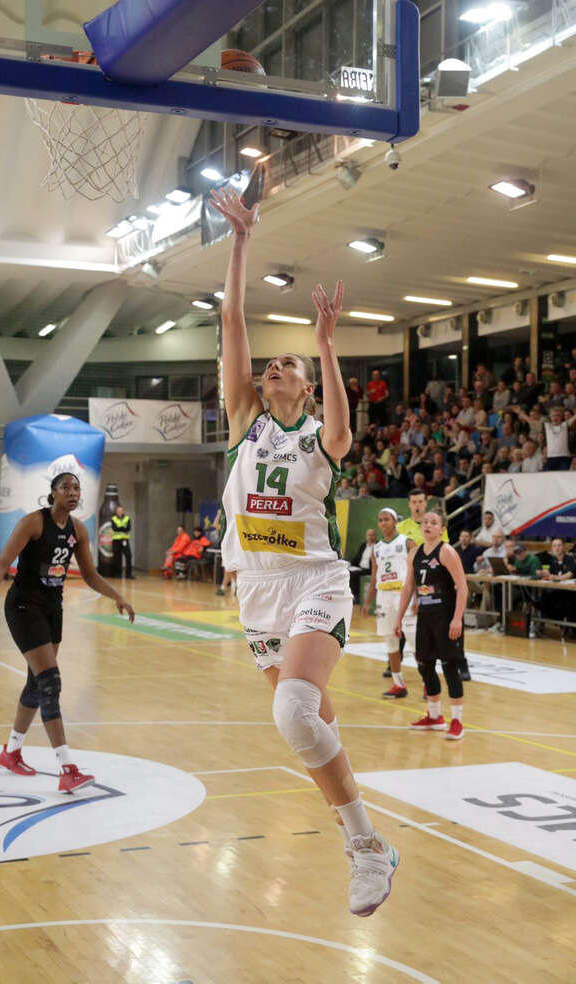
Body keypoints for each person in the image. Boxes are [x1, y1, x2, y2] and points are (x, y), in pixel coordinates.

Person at [210, 187, 398, 918]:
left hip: (315, 580)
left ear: (307, 385)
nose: (272, 369)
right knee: (310, 718)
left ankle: (366, 846)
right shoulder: (243, 420)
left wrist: (324, 342)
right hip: (256, 589)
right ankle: (364, 836)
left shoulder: (322, 437)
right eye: (270, 364)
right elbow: (231, 319)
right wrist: (240, 239)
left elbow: (343, 427)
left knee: (292, 712)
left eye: (286, 365)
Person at [0, 472, 135, 792]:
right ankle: (67, 768)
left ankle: (11, 752)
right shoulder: (33, 523)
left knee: (36, 683)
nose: (73, 492)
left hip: (51, 608)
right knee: (50, 681)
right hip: (23, 606)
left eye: (76, 488)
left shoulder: (78, 530)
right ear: (53, 493)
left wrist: (117, 596)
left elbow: (89, 575)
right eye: (66, 487)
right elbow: (2, 564)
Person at [394, 510, 468, 740]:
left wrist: (457, 618)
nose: (428, 525)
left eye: (434, 522)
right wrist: (399, 617)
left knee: (449, 666)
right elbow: (408, 588)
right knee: (425, 664)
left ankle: (457, 721)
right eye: (425, 522)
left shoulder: (447, 552)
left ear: (442, 529)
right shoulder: (414, 553)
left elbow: (462, 587)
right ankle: (435, 716)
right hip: (425, 617)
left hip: (446, 617)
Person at [361, 508, 416, 699]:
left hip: (403, 595)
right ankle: (398, 684)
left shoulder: (407, 542)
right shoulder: (376, 548)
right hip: (383, 597)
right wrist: (367, 602)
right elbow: (374, 577)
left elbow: (417, 573)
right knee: (390, 643)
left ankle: (428, 685)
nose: (383, 523)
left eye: (387, 519)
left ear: (395, 521)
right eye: (380, 520)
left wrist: (417, 598)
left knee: (414, 642)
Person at [111, 504, 135, 579]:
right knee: (117, 557)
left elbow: (128, 528)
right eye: (118, 511)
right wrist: (123, 528)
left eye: (121, 511)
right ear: (116, 512)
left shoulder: (127, 518)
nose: (120, 512)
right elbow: (115, 528)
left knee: (128, 556)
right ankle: (118, 574)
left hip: (125, 540)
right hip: (116, 540)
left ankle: (128, 574)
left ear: (123, 511)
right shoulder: (113, 519)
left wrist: (120, 528)